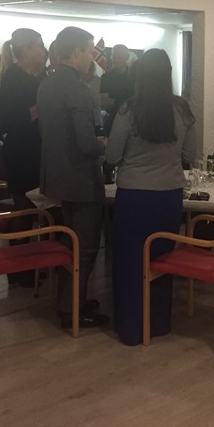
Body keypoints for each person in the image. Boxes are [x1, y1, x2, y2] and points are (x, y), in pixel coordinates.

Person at [105, 48, 196, 346]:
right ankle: (158, 323)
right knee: (161, 259)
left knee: (130, 261)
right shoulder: (182, 109)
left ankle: (132, 328)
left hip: (134, 196)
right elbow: (190, 154)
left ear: (139, 74)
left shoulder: (128, 110)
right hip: (168, 196)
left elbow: (112, 155)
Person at [37, 26, 109, 329]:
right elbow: (86, 143)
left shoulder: (47, 83)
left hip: (56, 173)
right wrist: (104, 144)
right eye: (90, 51)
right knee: (86, 246)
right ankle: (72, 310)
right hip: (80, 178)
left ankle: (71, 299)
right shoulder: (79, 89)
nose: (93, 57)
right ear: (77, 51)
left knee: (72, 242)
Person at [0, 29, 48, 287]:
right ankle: (17, 268)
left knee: (28, 209)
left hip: (30, 150)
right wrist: (43, 105)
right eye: (39, 45)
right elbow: (7, 119)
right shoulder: (14, 77)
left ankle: (25, 264)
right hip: (21, 152)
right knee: (24, 210)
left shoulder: (29, 77)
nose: (43, 50)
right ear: (26, 49)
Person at [99, 43, 134, 135]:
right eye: (114, 56)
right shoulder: (106, 77)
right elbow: (104, 101)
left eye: (119, 57)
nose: (116, 60)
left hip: (133, 120)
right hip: (112, 119)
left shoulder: (134, 77)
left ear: (127, 57)